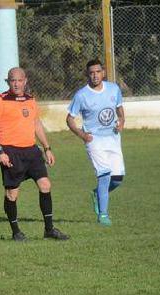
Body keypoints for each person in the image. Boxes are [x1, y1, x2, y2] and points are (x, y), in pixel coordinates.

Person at [0, 67, 69, 241]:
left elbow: (36, 123)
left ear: (25, 81)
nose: (15, 83)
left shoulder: (31, 100)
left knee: (45, 185)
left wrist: (47, 148)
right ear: (8, 82)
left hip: (32, 151)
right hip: (10, 152)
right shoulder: (0, 100)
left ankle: (49, 229)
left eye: (19, 80)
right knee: (12, 194)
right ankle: (16, 232)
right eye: (12, 80)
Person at [66, 59, 126, 227]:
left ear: (103, 72)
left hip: (113, 138)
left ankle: (98, 194)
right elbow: (69, 119)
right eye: (91, 73)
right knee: (104, 175)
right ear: (87, 74)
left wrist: (122, 121)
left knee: (118, 179)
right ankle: (103, 215)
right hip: (94, 140)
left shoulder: (114, 89)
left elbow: (120, 110)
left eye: (97, 72)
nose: (95, 75)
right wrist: (82, 134)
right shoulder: (81, 95)